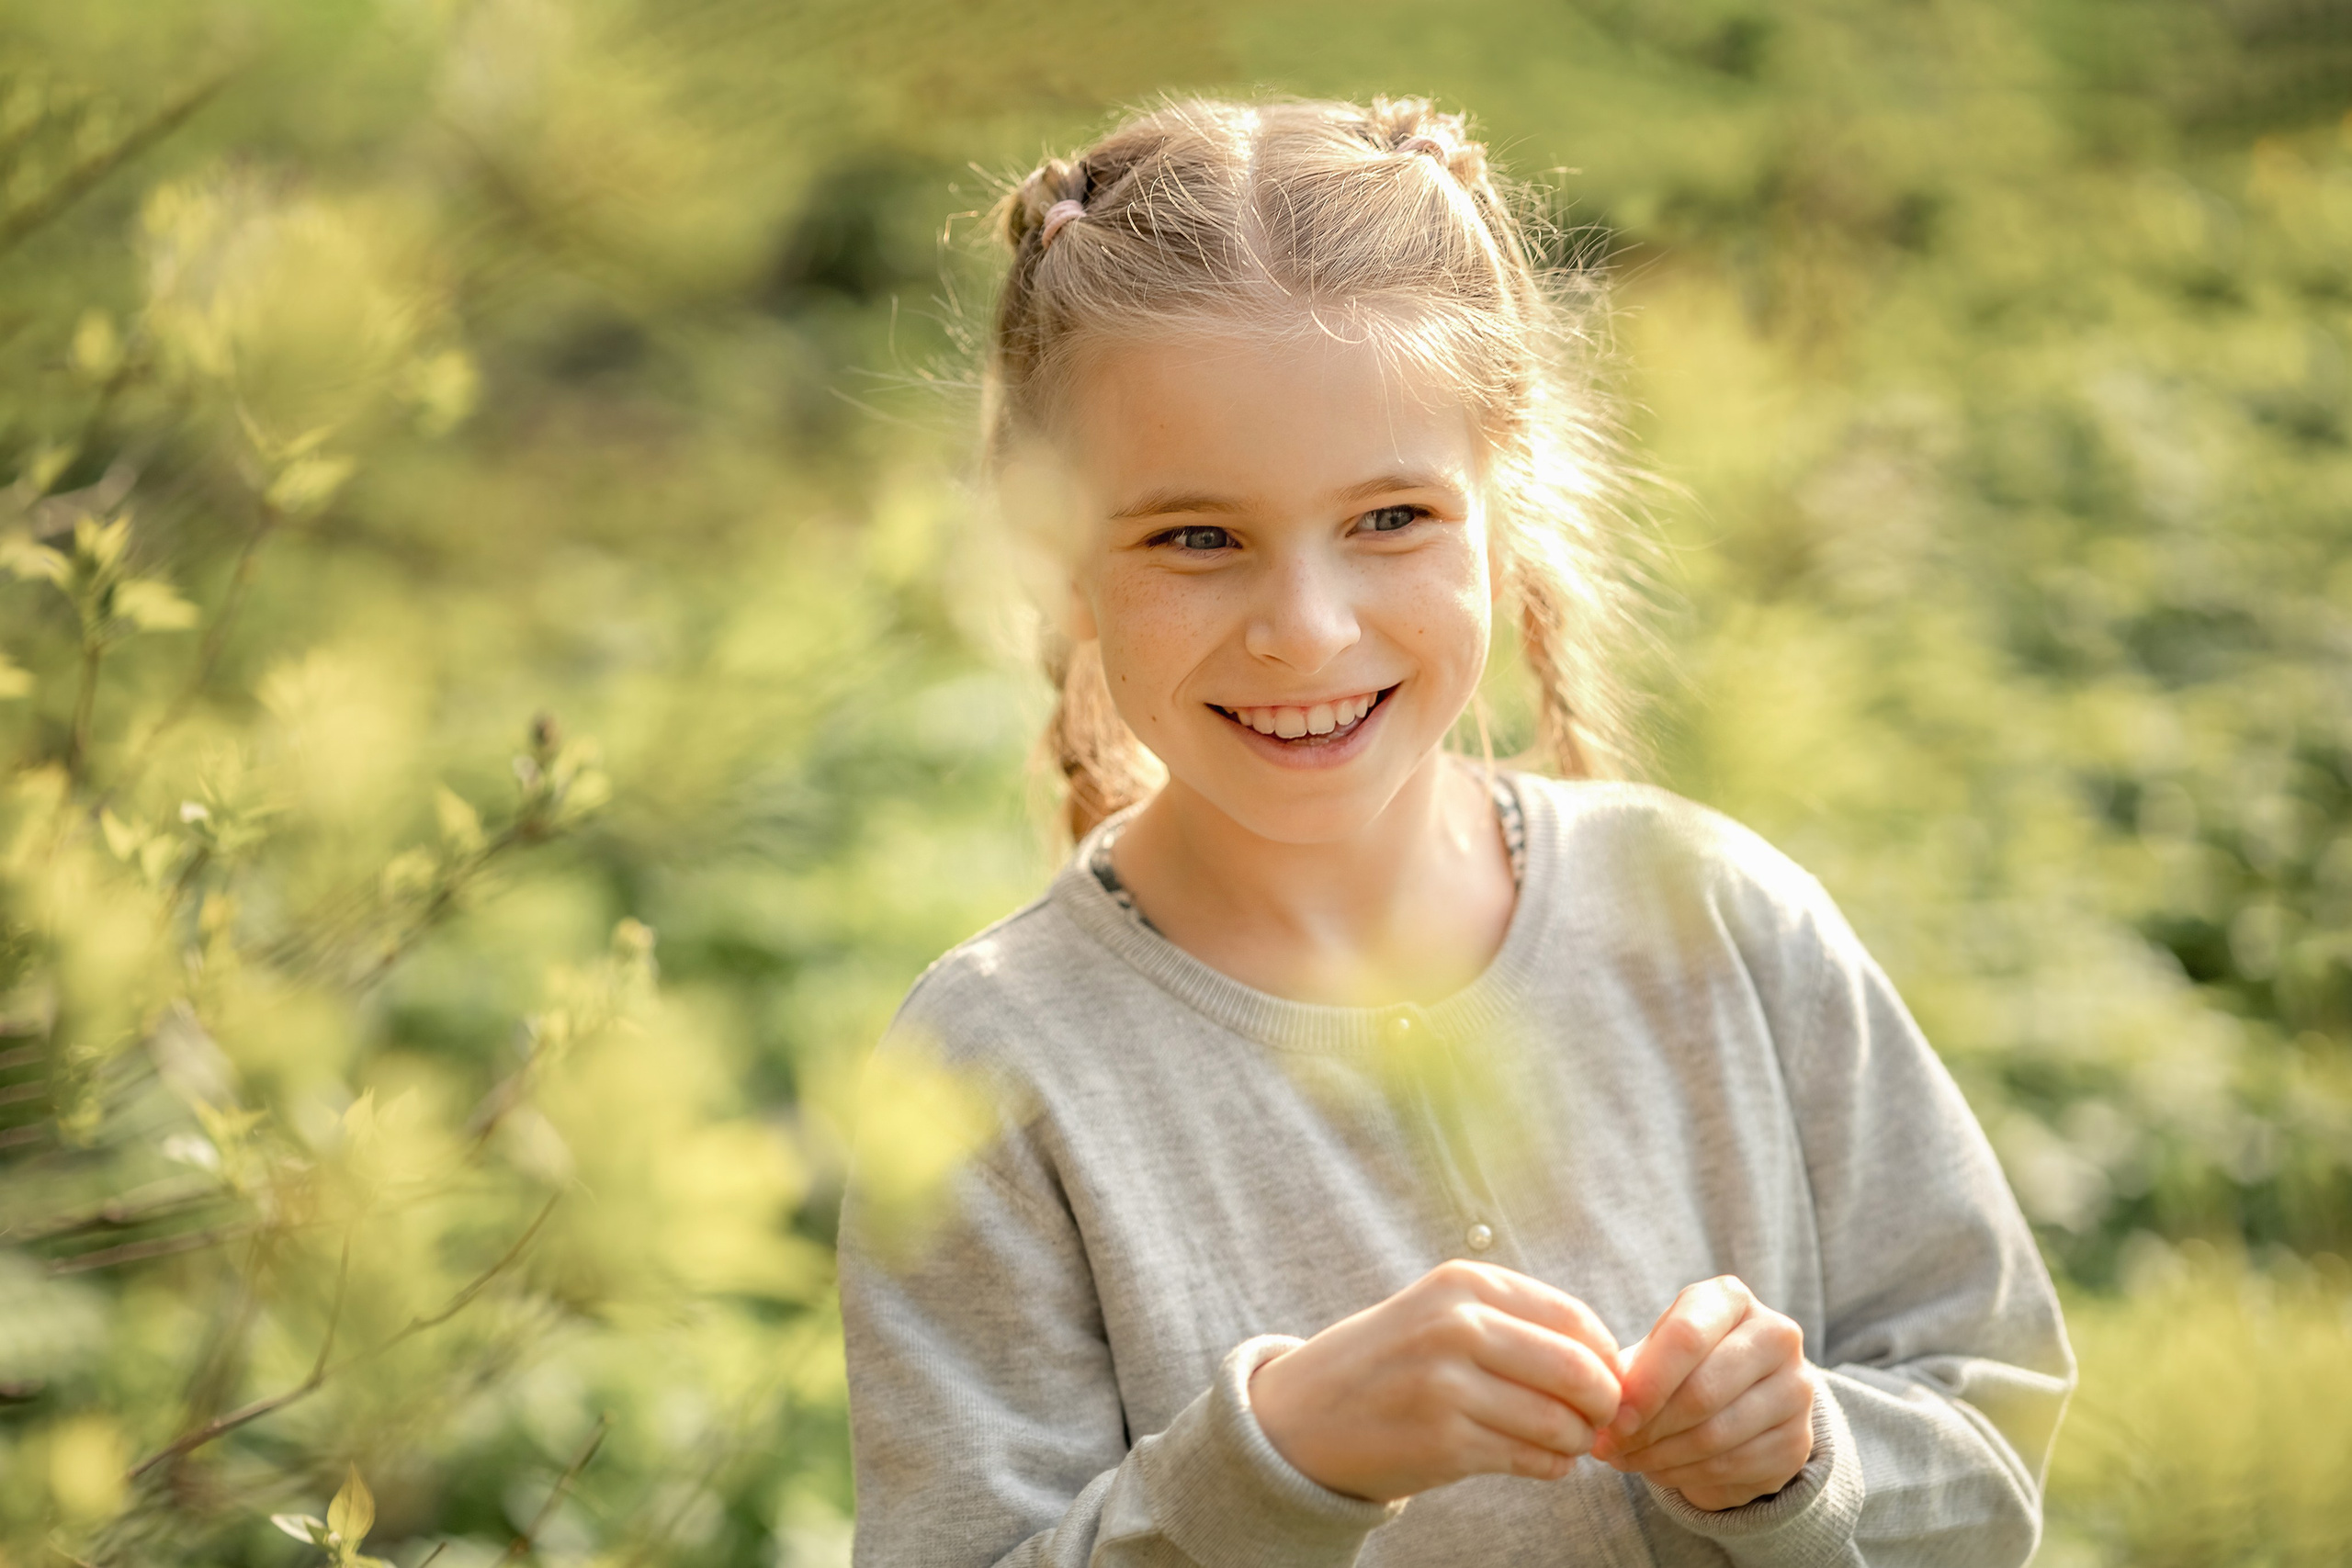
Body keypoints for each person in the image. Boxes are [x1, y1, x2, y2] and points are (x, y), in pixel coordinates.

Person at [836, 96, 2074, 1567]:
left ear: (1506, 508)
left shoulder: (1722, 919)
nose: (1306, 630)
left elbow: (1993, 1452)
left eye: (1392, 518)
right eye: (1196, 537)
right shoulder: (996, 1071)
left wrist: (1802, 1462)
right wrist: (1276, 1459)